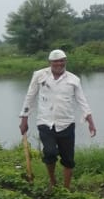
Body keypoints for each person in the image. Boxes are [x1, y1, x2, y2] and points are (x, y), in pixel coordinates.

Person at [18, 49, 96, 189]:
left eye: (61, 61)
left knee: (68, 159)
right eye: (55, 61)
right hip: (45, 122)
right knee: (50, 152)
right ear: (50, 63)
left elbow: (82, 101)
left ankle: (66, 188)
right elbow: (30, 96)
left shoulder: (73, 80)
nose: (59, 64)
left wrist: (90, 122)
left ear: (65, 61)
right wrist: (24, 118)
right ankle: (52, 181)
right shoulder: (39, 76)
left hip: (66, 123)